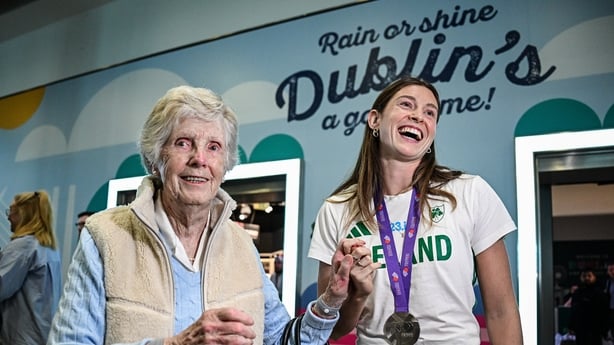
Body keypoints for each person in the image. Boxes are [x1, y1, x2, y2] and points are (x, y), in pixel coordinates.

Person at [48, 85, 359, 345]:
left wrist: (330, 300)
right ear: (157, 157)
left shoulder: (241, 245)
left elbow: (279, 339)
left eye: (213, 147)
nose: (199, 159)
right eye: (183, 143)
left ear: (225, 165)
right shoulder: (105, 237)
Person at [308, 76, 523, 344]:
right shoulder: (336, 209)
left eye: (429, 112)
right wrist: (358, 294)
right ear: (375, 120)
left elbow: (501, 311)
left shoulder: (470, 192)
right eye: (406, 105)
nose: (419, 116)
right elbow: (332, 330)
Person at [1, 190, 62, 344]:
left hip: (20, 336)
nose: (8, 217)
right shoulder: (49, 247)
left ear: (24, 215)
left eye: (12, 212)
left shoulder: (22, 246)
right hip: (42, 333)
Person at [568, 269, 609, 345]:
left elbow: (604, 312)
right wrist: (571, 326)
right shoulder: (577, 293)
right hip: (581, 329)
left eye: (589, 276)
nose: (586, 278)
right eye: (584, 276)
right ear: (581, 278)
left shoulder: (600, 293)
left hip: (595, 329)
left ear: (594, 277)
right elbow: (573, 310)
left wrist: (605, 329)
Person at [605, 262, 614, 340]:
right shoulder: (608, 282)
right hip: (611, 309)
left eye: (613, 269)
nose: (611, 272)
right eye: (609, 270)